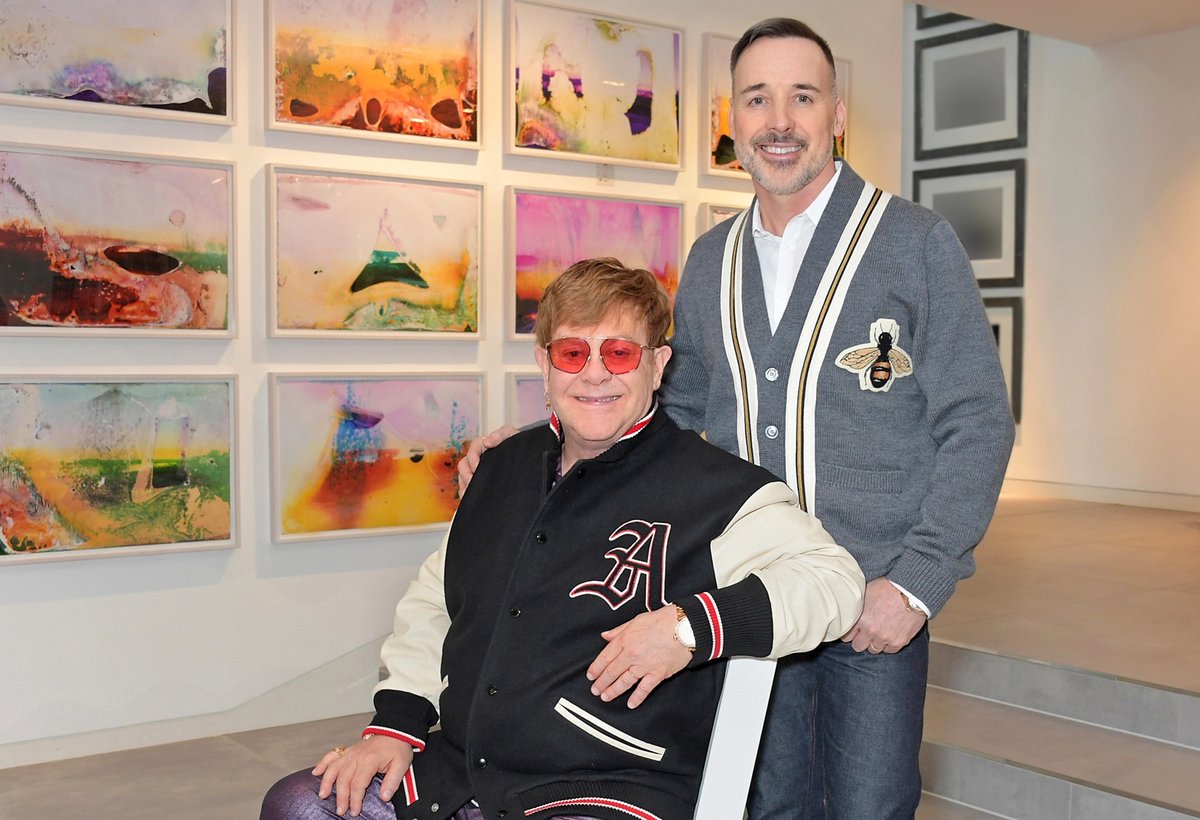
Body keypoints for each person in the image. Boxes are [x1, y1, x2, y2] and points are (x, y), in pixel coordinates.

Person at [459, 19, 1015, 819]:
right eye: (758, 100)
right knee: (764, 803)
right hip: (747, 592)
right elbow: (666, 413)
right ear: (733, 118)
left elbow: (978, 422)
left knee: (870, 804)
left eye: (802, 97)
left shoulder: (916, 243)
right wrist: (535, 445)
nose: (779, 121)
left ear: (838, 113)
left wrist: (919, 583)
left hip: (870, 599)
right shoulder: (711, 260)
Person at [262, 258, 865, 820]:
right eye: (573, 352)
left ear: (658, 366)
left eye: (621, 354)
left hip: (606, 788)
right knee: (301, 804)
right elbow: (437, 603)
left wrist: (689, 628)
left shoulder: (718, 491)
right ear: (545, 363)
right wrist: (394, 727)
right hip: (461, 775)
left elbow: (834, 583)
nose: (595, 373)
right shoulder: (499, 468)